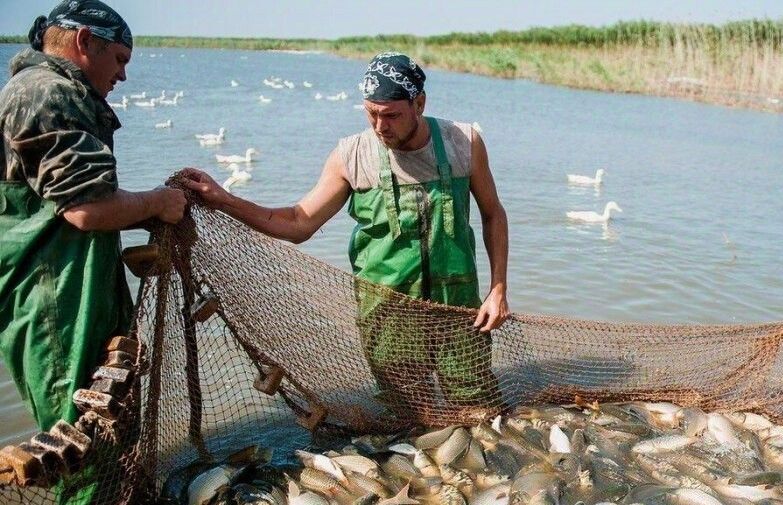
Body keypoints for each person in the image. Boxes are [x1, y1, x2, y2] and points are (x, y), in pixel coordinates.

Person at [182, 52, 509, 417]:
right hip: (387, 313)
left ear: (419, 103)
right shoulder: (350, 155)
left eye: (391, 115)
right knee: (410, 416)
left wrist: (497, 290)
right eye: (371, 113)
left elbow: (493, 214)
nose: (380, 127)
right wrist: (224, 199)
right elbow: (297, 222)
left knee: (480, 410)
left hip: (459, 307)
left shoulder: (463, 141)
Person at [0, 0, 186, 502]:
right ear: (85, 42)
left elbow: (75, 203)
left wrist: (150, 208)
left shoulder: (50, 89)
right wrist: (160, 203)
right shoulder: (48, 93)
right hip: (54, 299)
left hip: (73, 285)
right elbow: (85, 209)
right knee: (80, 443)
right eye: (120, 59)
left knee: (112, 427)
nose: (123, 75)